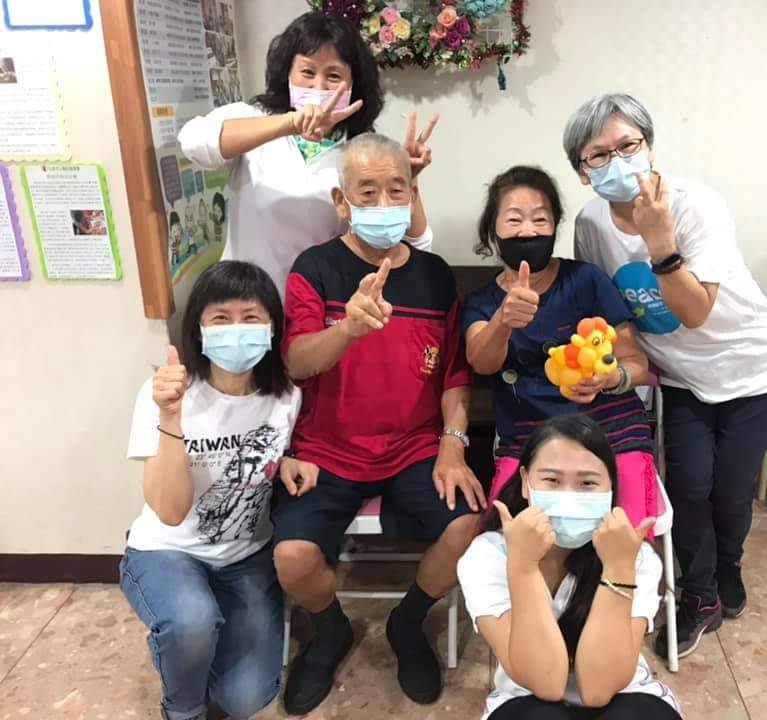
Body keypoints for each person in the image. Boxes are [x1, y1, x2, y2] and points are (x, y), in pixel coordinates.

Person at [563, 93, 767, 660]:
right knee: (690, 485)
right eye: (600, 155)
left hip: (754, 367)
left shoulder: (696, 206)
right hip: (682, 376)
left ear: (649, 148)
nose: (618, 162)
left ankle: (729, 565)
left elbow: (695, 311)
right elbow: (604, 306)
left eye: (628, 145)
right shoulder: (591, 222)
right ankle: (701, 593)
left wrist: (660, 240)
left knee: (731, 490)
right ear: (583, 171)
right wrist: (608, 368)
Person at [272, 133, 485, 715]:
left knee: (469, 526)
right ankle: (331, 630)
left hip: (414, 447)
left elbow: (455, 375)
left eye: (397, 190)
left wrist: (452, 445)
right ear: (342, 201)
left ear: (413, 195)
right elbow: (296, 362)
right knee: (293, 557)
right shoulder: (315, 268)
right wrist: (347, 329)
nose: (384, 203)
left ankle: (407, 622)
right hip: (326, 450)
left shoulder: (436, 276)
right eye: (368, 191)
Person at [120, 261, 316, 720]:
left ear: (272, 327)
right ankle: (181, 707)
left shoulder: (285, 396)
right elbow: (170, 511)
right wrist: (171, 418)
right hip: (167, 551)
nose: (237, 329)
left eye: (251, 317)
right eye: (221, 318)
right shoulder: (166, 395)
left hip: (245, 555)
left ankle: (192, 646)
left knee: (245, 699)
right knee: (190, 622)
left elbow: (260, 448)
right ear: (199, 328)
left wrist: (285, 461)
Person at [178, 11, 438, 294]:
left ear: (353, 84)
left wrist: (409, 178)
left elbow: (417, 246)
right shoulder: (253, 118)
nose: (319, 86)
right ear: (287, 73)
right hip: (249, 303)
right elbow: (194, 144)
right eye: (307, 72)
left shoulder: (362, 151)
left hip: (325, 304)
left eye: (334, 75)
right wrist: (290, 123)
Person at [462, 165, 661, 531]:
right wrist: (503, 320)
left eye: (541, 219)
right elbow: (482, 362)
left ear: (555, 226)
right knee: (513, 537)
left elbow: (636, 362)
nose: (528, 231)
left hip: (611, 430)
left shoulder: (587, 280)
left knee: (625, 534)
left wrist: (611, 379)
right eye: (514, 219)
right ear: (493, 228)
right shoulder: (482, 303)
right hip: (529, 438)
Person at [457, 414, 681, 720]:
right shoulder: (488, 556)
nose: (568, 497)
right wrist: (523, 567)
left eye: (587, 483)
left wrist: (618, 569)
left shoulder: (635, 557)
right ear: (525, 482)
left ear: (610, 488)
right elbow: (545, 684)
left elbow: (599, 689)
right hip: (528, 696)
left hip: (621, 694)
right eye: (551, 480)